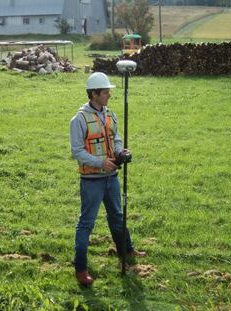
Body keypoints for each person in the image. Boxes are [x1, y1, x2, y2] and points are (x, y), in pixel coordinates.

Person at [69, 72, 146, 286]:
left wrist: (121, 153)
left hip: (111, 178)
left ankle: (127, 252)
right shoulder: (79, 119)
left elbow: (116, 138)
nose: (109, 95)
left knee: (118, 216)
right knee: (86, 223)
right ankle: (81, 268)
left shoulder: (110, 114)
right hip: (92, 181)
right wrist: (100, 162)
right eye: (105, 92)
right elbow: (76, 151)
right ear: (94, 94)